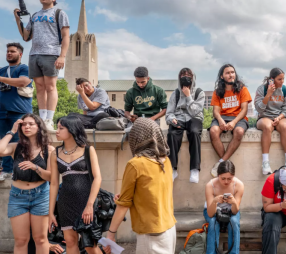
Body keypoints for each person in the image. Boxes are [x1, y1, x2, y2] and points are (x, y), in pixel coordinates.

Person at [105, 118, 177, 254]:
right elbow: (155, 192)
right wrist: (132, 196)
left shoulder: (135, 164)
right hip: (169, 228)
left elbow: (123, 205)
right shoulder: (165, 160)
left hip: (151, 232)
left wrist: (110, 234)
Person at [0, 113, 54, 254]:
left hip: (40, 194)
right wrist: (12, 131)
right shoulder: (16, 147)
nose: (27, 126)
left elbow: (51, 177)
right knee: (21, 240)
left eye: (31, 124)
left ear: (39, 127)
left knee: (40, 239)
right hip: (18, 196)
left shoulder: (49, 150)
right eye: (24, 124)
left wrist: (36, 167)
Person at [13, 0, 70, 130]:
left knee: (50, 86)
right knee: (39, 87)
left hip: (51, 53)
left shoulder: (59, 13)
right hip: (34, 54)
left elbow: (66, 36)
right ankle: (42, 118)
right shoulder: (35, 15)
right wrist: (17, 19)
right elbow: (26, 36)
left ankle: (50, 119)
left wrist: (62, 56)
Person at [49, 116, 102, 254]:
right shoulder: (55, 153)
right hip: (65, 203)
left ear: (72, 130)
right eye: (57, 127)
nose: (57, 131)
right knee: (71, 242)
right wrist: (50, 212)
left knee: (90, 244)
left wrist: (90, 205)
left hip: (86, 202)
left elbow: (97, 178)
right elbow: (54, 183)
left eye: (61, 128)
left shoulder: (88, 150)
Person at [0, 42, 33, 181]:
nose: (9, 53)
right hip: (1, 112)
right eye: (8, 51)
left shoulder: (25, 68)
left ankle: (19, 170)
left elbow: (23, 82)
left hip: (20, 112)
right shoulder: (0, 71)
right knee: (4, 141)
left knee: (20, 142)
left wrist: (1, 79)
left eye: (13, 51)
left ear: (20, 54)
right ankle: (6, 170)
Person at [209, 64, 252, 177]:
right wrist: (220, 120)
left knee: (239, 132)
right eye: (227, 73)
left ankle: (221, 163)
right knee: (213, 131)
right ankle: (226, 163)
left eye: (232, 72)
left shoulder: (242, 89)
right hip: (222, 117)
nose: (231, 75)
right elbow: (216, 111)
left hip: (239, 118)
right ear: (222, 76)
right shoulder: (217, 91)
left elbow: (244, 110)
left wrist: (233, 122)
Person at [166, 68, 205, 183]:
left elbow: (194, 112)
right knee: (172, 134)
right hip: (178, 118)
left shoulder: (199, 92)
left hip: (194, 118)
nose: (186, 76)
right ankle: (172, 168)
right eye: (183, 74)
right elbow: (169, 113)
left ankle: (194, 169)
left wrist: (188, 96)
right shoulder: (175, 93)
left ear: (193, 77)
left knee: (194, 132)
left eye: (188, 74)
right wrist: (172, 119)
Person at [254, 68, 286, 175]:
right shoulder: (262, 89)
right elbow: (259, 109)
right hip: (264, 117)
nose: (282, 81)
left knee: (285, 127)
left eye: (283, 79)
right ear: (272, 79)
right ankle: (265, 162)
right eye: (279, 79)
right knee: (267, 127)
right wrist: (268, 95)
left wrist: (279, 118)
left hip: (280, 117)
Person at [204, 161, 244, 254]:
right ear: (218, 175)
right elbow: (210, 214)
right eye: (223, 178)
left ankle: (233, 252)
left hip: (231, 210)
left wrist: (233, 203)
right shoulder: (210, 185)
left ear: (233, 176)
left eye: (229, 178)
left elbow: (235, 212)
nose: (226, 181)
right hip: (212, 209)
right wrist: (215, 201)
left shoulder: (239, 185)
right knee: (213, 222)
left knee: (234, 222)